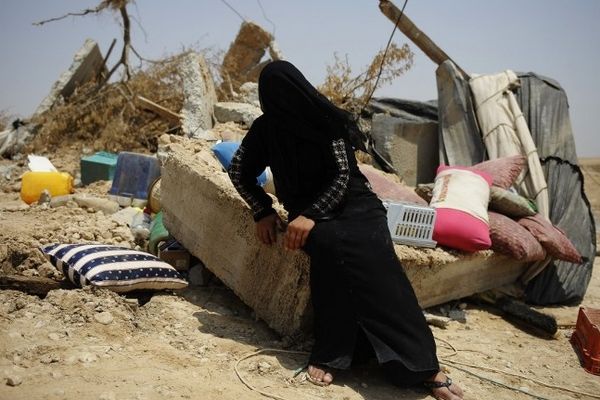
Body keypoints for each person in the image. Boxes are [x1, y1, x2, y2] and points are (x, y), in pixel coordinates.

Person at [227, 60, 464, 400]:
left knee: (376, 259)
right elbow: (239, 170)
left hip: (355, 206)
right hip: (314, 218)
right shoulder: (266, 129)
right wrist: (262, 211)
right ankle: (333, 352)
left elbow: (341, 176)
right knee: (326, 247)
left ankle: (425, 366)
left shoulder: (327, 121)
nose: (281, 101)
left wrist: (309, 214)